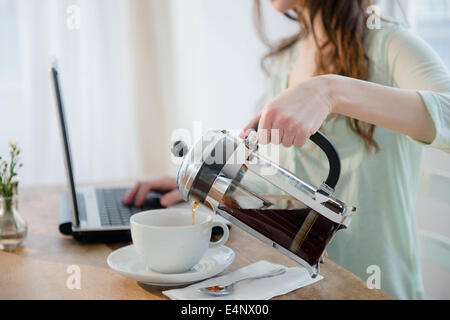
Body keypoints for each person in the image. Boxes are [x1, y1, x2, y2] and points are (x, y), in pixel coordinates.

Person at [123, 0, 450, 299]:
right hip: (301, 287)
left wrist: (330, 89)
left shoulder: (390, 45)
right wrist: (216, 184)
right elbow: (288, 184)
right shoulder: (287, 60)